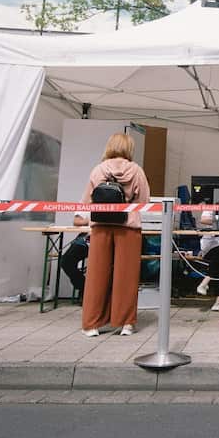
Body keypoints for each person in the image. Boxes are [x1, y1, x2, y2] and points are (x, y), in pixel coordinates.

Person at [75, 133, 151, 337]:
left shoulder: (98, 169)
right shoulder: (136, 171)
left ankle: (91, 324)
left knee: (96, 274)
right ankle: (125, 322)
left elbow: (87, 201)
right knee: (126, 276)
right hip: (128, 227)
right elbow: (144, 200)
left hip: (100, 226)